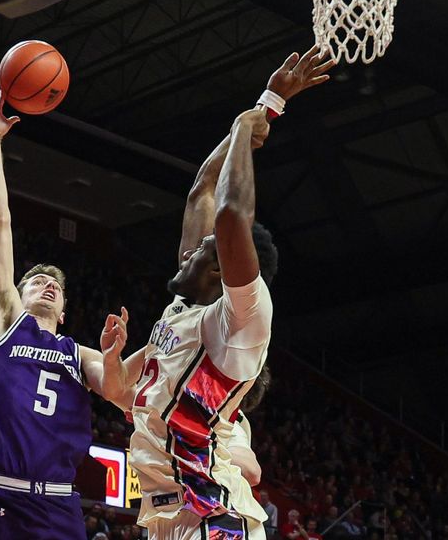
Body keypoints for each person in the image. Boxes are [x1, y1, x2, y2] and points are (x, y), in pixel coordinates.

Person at [104, 47, 334, 539]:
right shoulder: (185, 303)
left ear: (220, 270)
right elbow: (202, 192)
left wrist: (246, 126)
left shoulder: (239, 321)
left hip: (214, 516)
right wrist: (265, 104)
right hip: (167, 514)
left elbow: (230, 213)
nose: (187, 252)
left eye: (202, 252)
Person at [0, 78, 142, 540]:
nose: (46, 284)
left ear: (63, 312)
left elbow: (122, 395)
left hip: (59, 503)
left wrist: (116, 354)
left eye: (55, 287)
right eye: (36, 281)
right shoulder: (0, 325)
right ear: (16, 297)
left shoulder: (77, 354)